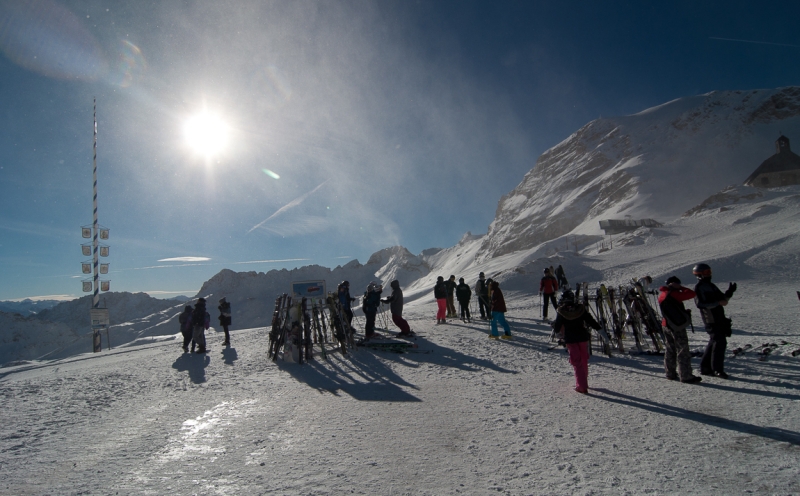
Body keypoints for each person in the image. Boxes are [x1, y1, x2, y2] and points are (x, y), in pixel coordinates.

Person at [693, 263, 737, 379]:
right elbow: (700, 304)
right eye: (706, 272)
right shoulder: (699, 288)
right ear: (700, 275)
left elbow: (723, 299)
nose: (709, 274)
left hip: (719, 317)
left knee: (714, 341)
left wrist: (729, 292)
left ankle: (705, 368)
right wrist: (717, 303)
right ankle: (717, 369)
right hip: (710, 319)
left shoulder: (711, 286)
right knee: (719, 342)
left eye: (710, 272)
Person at [553, 290, 601, 394]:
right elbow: (590, 320)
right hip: (583, 337)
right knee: (583, 359)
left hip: (571, 339)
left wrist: (556, 329)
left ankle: (581, 386)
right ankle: (584, 382)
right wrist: (600, 330)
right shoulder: (580, 309)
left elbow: (557, 327)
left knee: (576, 361)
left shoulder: (561, 311)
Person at [658, 276, 701, 383]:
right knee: (683, 350)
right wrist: (681, 287)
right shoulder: (674, 294)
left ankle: (670, 373)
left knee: (670, 349)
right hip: (676, 326)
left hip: (665, 324)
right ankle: (685, 375)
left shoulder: (662, 294)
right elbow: (691, 293)